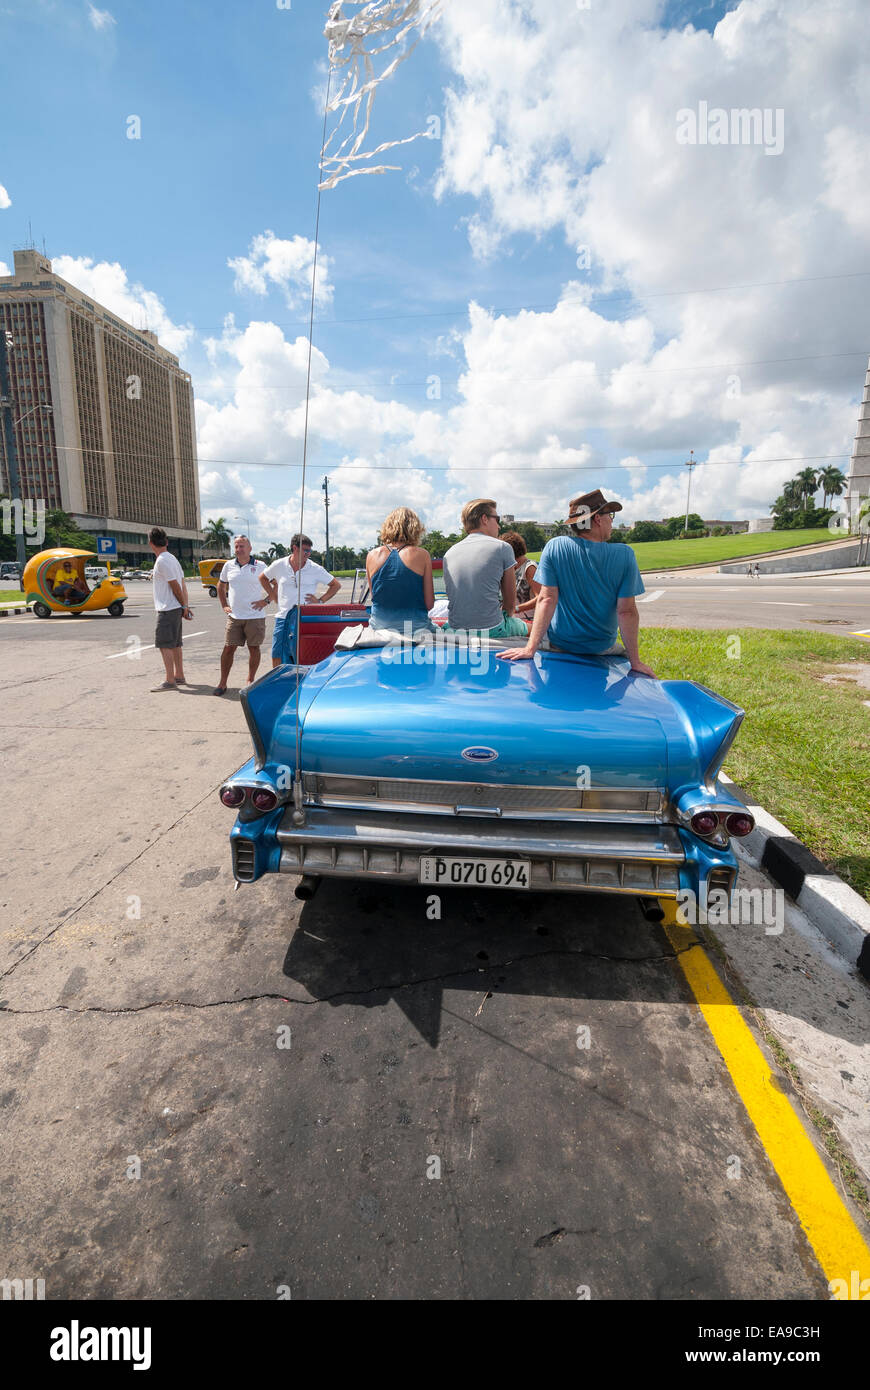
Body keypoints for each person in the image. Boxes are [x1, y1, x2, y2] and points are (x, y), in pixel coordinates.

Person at [498, 489, 656, 676]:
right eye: (610, 515)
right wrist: (635, 662)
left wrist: (530, 649)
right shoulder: (624, 555)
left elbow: (546, 600)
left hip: (561, 644)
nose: (612, 521)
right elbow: (626, 611)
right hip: (601, 648)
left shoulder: (555, 546)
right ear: (597, 519)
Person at [441, 499, 528, 638]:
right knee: (533, 628)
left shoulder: (449, 553)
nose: (499, 526)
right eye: (497, 519)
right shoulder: (502, 547)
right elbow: (510, 606)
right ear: (484, 519)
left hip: (455, 629)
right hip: (492, 629)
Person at [261, 534, 340, 668]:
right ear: (294, 548)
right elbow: (263, 578)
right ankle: (279, 682)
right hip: (283, 618)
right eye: (305, 550)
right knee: (277, 654)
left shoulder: (315, 568)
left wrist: (320, 601)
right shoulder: (279, 564)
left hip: (306, 618)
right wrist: (273, 596)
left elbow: (336, 585)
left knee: (304, 654)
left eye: (309, 551)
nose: (308, 554)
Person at [213, 535, 270, 696]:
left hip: (255, 616)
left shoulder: (261, 566)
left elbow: (276, 583)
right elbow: (221, 585)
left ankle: (250, 681)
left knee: (254, 648)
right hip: (235, 616)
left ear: (250, 548)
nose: (238, 549)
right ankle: (222, 683)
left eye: (242, 546)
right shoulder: (228, 566)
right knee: (228, 648)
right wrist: (224, 604)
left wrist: (266, 601)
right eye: (236, 546)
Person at [366, 507, 436, 637]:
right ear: (415, 528)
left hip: (379, 630)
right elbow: (429, 604)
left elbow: (375, 597)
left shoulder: (371, 555)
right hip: (416, 629)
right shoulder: (422, 554)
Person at [148, 527, 193, 690]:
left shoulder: (162, 561)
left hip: (167, 608)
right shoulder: (173, 559)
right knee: (175, 644)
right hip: (175, 607)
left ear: (151, 544)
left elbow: (175, 586)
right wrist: (185, 606)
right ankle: (179, 675)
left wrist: (184, 606)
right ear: (166, 542)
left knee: (164, 644)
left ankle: (170, 680)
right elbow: (182, 584)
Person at [500, 530, 541, 622]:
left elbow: (541, 597)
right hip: (513, 623)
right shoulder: (510, 568)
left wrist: (516, 608)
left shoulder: (529, 568)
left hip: (529, 623)